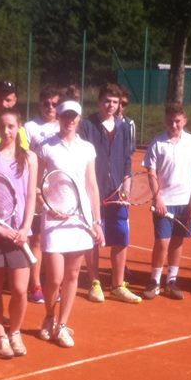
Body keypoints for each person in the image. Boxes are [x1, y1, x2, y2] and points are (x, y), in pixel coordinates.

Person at [37, 100, 104, 348]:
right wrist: (48, 207)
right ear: (59, 117)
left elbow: (92, 185)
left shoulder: (87, 149)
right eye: (65, 116)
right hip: (54, 219)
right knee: (55, 278)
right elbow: (37, 185)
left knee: (73, 275)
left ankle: (62, 325)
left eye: (73, 116)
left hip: (80, 219)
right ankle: (49, 316)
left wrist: (96, 221)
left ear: (79, 118)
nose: (70, 120)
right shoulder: (46, 147)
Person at [0, 108, 38, 358]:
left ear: (19, 127)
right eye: (2, 126)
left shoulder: (30, 158)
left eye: (11, 126)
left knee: (19, 289)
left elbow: (30, 196)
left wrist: (25, 228)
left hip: (20, 234)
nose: (6, 131)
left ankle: (14, 332)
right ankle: (0, 336)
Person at [79, 83, 140, 303]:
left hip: (117, 194)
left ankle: (117, 285)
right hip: (93, 192)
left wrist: (126, 188)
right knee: (94, 237)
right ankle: (94, 283)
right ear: (99, 102)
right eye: (107, 101)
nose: (111, 105)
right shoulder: (87, 125)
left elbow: (127, 161)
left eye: (115, 102)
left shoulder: (124, 127)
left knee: (121, 237)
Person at [142, 103, 191, 299]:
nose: (174, 125)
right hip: (164, 203)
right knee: (162, 242)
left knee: (177, 242)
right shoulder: (157, 142)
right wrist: (158, 198)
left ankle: (171, 281)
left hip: (186, 204)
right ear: (165, 121)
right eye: (170, 121)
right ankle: (154, 281)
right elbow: (151, 173)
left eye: (177, 121)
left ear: (184, 120)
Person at [23, 85, 62, 304]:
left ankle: (53, 284)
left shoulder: (64, 126)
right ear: (40, 104)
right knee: (37, 239)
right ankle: (36, 285)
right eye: (46, 103)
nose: (50, 107)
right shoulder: (30, 127)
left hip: (58, 192)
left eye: (55, 104)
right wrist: (34, 187)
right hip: (36, 190)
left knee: (55, 238)